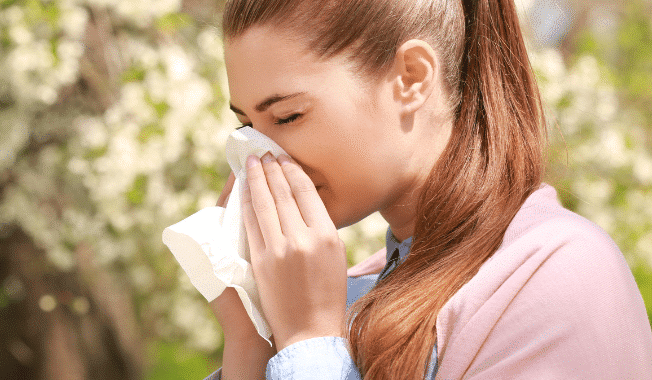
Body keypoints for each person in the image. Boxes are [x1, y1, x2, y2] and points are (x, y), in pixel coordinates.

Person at [203, 0, 652, 379]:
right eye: (246, 125)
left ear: (412, 78)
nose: (258, 155)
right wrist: (251, 338)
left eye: (287, 117)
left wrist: (307, 342)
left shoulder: (556, 277)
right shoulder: (349, 292)